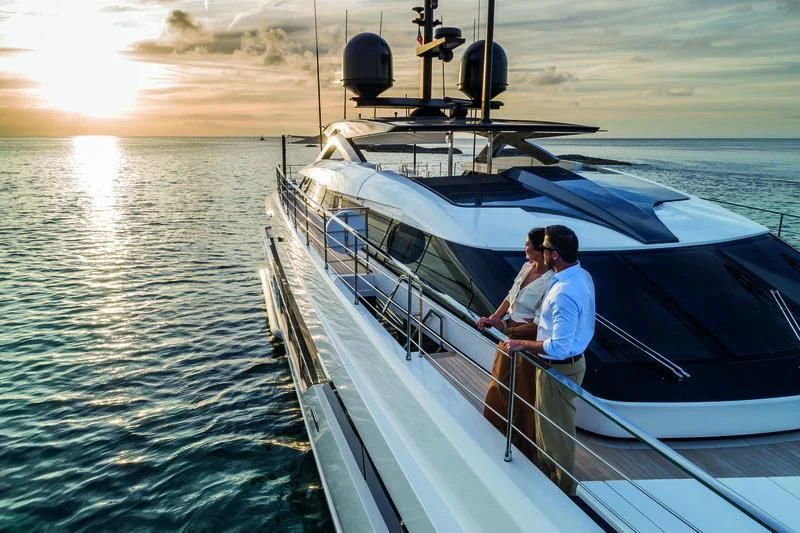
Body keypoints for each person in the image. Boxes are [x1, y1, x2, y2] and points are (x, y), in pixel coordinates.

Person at [504, 224, 595, 495]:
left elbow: (559, 347)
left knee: (556, 433)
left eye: (543, 247)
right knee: (548, 428)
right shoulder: (581, 276)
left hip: (558, 368)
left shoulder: (564, 292)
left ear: (554, 254)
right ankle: (550, 482)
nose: (541, 251)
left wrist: (522, 343)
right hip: (565, 365)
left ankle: (562, 491)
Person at [477, 227, 553, 459]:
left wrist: (507, 329)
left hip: (527, 340)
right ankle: (495, 429)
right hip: (510, 333)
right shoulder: (526, 267)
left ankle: (525, 447)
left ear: (539, 249)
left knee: (524, 392)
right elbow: (510, 297)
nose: (524, 246)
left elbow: (538, 324)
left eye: (527, 243)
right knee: (499, 382)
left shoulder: (551, 282)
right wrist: (494, 317)